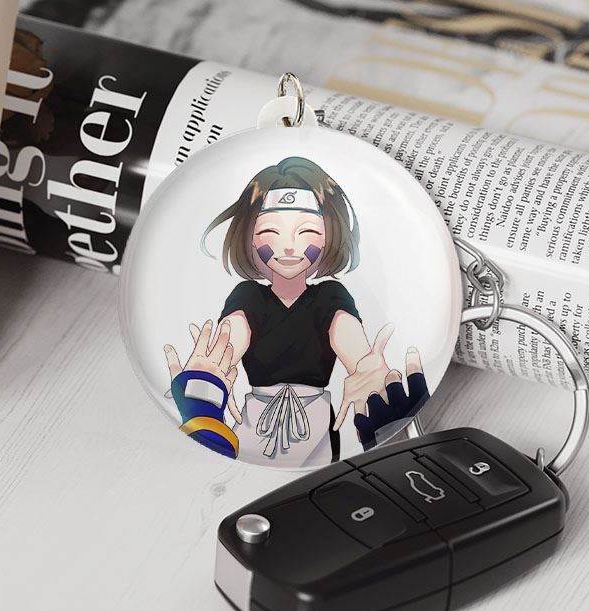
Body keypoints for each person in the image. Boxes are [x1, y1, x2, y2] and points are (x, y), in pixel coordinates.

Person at [165, 156, 426, 466]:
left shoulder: (329, 296)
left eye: (306, 232)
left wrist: (367, 372)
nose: (289, 246)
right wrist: (207, 382)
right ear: (249, 238)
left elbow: (347, 335)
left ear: (329, 236)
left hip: (317, 428)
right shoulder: (249, 296)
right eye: (271, 232)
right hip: (254, 424)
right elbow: (233, 334)